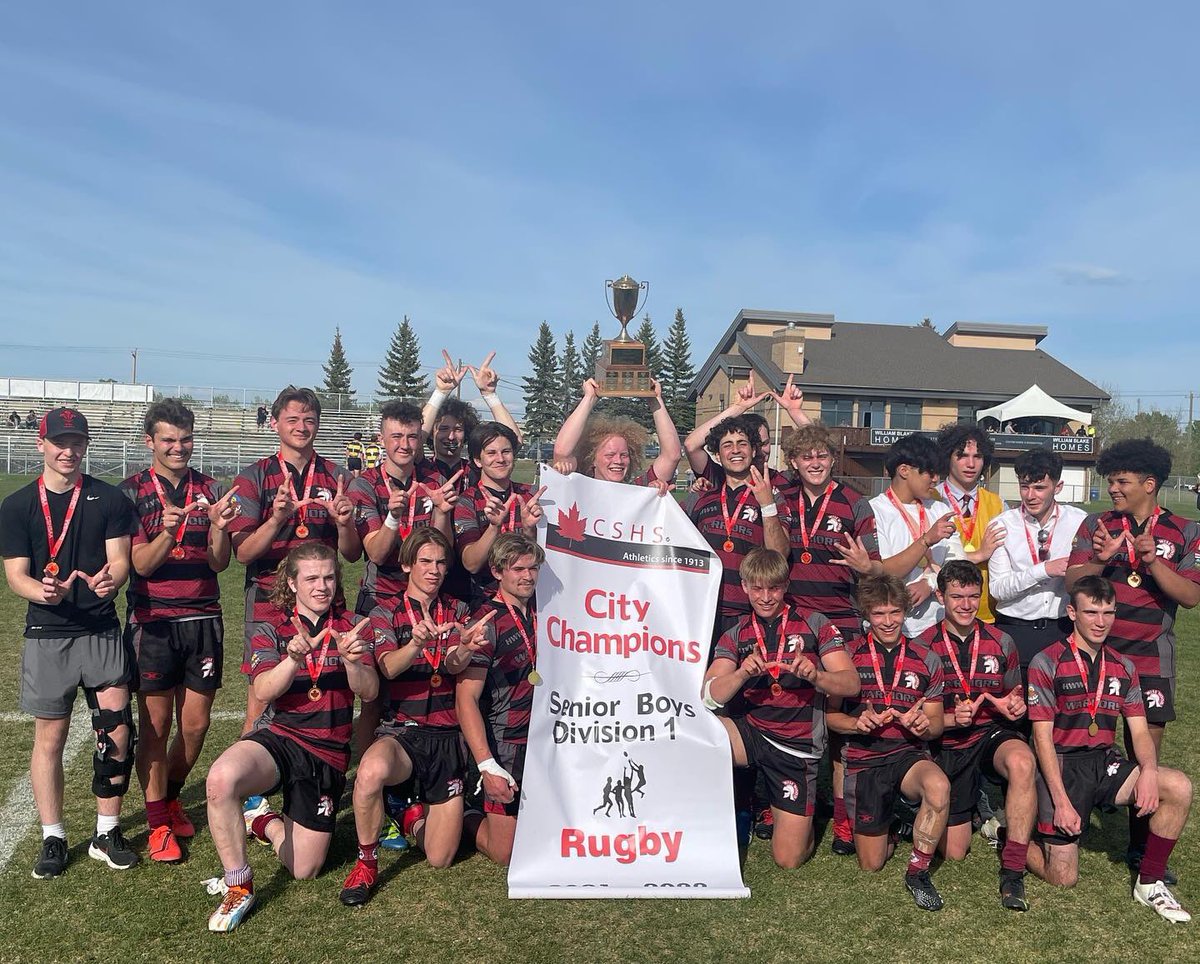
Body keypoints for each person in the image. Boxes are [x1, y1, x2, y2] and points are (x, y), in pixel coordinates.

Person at [205, 544, 377, 932]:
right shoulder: (273, 627)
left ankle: (263, 821)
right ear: (292, 582)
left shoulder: (353, 625)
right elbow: (264, 690)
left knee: (305, 869)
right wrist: (293, 659)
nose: (322, 586)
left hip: (327, 753)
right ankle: (239, 886)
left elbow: (368, 692)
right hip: (281, 737)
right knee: (220, 780)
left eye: (329, 577)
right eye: (312, 578)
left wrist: (352, 660)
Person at [0, 407, 139, 877]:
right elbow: (16, 575)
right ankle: (54, 836)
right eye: (60, 442)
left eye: (77, 442)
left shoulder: (109, 498)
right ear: (40, 445)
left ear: (85, 446)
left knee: (117, 727)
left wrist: (110, 581)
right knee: (51, 738)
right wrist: (40, 589)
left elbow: (119, 561)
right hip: (48, 633)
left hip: (100, 628)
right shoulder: (18, 505)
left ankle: (107, 829)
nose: (69, 450)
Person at [1065, 438, 1200, 878]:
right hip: (1098, 658)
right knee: (1084, 742)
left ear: (1149, 483)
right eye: (1111, 480)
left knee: (1148, 759)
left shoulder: (1185, 530)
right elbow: (1072, 580)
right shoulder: (1097, 523)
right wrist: (1104, 562)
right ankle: (1065, 823)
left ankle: (1140, 850)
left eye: (1121, 481)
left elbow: (1191, 596)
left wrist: (1149, 561)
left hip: (1151, 660)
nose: (1114, 489)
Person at [1026, 576, 1194, 922]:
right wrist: (1060, 801)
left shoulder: (1123, 665)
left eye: (1108, 612)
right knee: (1063, 878)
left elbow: (1139, 730)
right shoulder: (1046, 662)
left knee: (1177, 786)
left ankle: (1150, 881)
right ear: (1072, 612)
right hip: (1060, 764)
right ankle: (1013, 834)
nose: (1101, 622)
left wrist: (1147, 771)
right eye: (1091, 612)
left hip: (1104, 762)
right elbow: (1041, 739)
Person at [339, 529, 491, 906]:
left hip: (447, 735)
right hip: (403, 733)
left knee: (440, 858)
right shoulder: (384, 611)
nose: (434, 570)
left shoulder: (457, 611)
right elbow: (388, 668)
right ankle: (366, 862)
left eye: (441, 562)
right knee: (370, 772)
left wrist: (466, 648)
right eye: (425, 561)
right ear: (407, 564)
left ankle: (409, 817)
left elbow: (454, 665)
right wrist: (417, 644)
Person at [119, 399, 241, 863]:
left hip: (203, 619)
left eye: (185, 439)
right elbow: (140, 564)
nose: (178, 447)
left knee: (195, 726)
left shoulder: (210, 488)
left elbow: (219, 562)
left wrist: (217, 528)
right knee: (155, 726)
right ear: (149, 441)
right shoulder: (129, 493)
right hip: (153, 623)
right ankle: (156, 824)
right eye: (168, 439)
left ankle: (170, 797)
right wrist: (169, 532)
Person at [703, 549, 859, 869]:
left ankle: (795, 816)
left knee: (788, 860)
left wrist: (817, 676)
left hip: (797, 745)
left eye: (773, 588)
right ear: (744, 587)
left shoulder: (815, 623)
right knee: (696, 733)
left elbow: (851, 683)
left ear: (785, 586)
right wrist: (741, 673)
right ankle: (697, 825)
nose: (765, 597)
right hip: (753, 733)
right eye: (757, 588)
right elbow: (708, 696)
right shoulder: (736, 633)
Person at [227, 386, 361, 733]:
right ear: (274, 423)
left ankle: (320, 771)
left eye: (309, 419)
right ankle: (254, 782)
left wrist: (345, 524)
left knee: (326, 688)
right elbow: (243, 554)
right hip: (269, 599)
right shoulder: (253, 477)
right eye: (292, 419)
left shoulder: (338, 477)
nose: (301, 426)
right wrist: (275, 519)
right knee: (261, 699)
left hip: (321, 598)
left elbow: (351, 553)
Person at [918, 561, 1036, 911]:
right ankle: (972, 815)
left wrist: (1015, 707)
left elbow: (1015, 694)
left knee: (1022, 761)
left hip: (989, 733)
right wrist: (952, 718)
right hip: (946, 743)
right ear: (940, 596)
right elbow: (921, 718)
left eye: (973, 596)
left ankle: (1013, 871)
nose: (966, 605)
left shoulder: (1002, 640)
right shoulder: (923, 645)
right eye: (957, 597)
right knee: (954, 852)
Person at [827, 575, 950, 911]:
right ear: (867, 614)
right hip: (865, 759)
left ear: (905, 611)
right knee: (871, 863)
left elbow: (937, 724)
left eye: (895, 612)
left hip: (908, 756)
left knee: (938, 785)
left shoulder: (927, 657)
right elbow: (829, 718)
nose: (888, 621)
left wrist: (923, 725)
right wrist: (856, 723)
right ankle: (895, 825)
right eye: (879, 614)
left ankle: (918, 872)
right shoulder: (847, 656)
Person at [456, 533, 544, 866]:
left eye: (533, 568)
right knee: (506, 853)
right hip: (506, 744)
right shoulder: (486, 623)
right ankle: (459, 812)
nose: (527, 576)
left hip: (548, 740)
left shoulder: (546, 613)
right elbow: (465, 698)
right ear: (496, 572)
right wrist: (487, 764)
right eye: (518, 568)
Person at [685, 415, 792, 643]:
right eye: (727, 445)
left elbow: (779, 554)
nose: (735, 450)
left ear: (754, 451)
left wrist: (766, 505)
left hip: (750, 612)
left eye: (742, 444)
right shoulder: (702, 497)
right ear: (717, 454)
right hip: (704, 611)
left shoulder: (773, 497)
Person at [988, 448, 1087, 678]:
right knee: (1016, 711)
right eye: (1025, 486)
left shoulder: (1079, 521)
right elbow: (998, 589)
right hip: (1015, 630)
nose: (1030, 495)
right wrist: (1044, 570)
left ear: (1058, 487)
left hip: (1062, 629)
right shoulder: (1002, 525)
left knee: (1061, 711)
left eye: (1039, 487)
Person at [868, 434, 956, 637]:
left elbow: (957, 562)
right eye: (930, 473)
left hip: (938, 624)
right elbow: (885, 571)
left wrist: (930, 584)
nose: (936, 480)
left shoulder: (940, 509)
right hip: (893, 628)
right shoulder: (874, 511)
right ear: (904, 471)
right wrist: (926, 540)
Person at [453, 422, 543, 604]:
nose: (500, 459)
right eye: (491, 453)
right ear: (478, 460)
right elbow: (471, 563)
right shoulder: (467, 500)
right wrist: (493, 528)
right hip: (486, 600)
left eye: (506, 451)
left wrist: (528, 530)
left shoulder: (530, 495)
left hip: (531, 598)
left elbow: (543, 556)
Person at [552, 377, 681, 491]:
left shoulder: (640, 490)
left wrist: (655, 400)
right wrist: (589, 398)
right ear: (593, 459)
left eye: (624, 455)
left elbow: (672, 456)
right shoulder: (578, 488)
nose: (618, 461)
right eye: (610, 455)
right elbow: (562, 452)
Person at [683, 371, 805, 491]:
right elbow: (691, 445)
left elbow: (822, 453)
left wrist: (795, 411)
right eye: (752, 444)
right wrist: (738, 408)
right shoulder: (719, 479)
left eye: (764, 444)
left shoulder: (786, 481)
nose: (758, 451)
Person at [934, 423, 1006, 623]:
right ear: (948, 457)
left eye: (978, 457)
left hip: (987, 615)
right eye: (962, 455)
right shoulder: (930, 501)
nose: (971, 464)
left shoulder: (999, 505)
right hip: (938, 615)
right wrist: (979, 555)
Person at [423, 349, 522, 492]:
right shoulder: (421, 468)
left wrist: (489, 395)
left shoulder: (475, 469)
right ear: (431, 432)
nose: (451, 436)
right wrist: (441, 393)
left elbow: (514, 441)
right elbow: (416, 436)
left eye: (458, 429)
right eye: (444, 429)